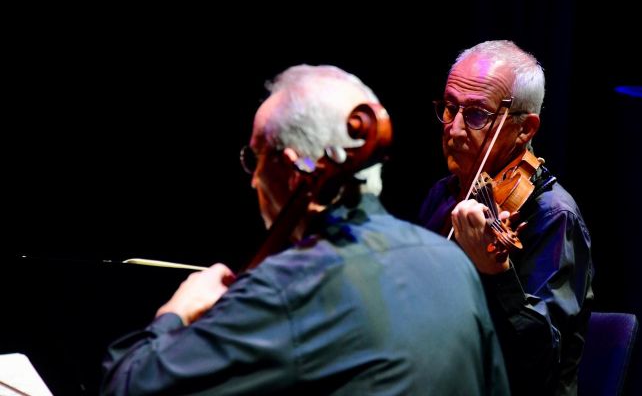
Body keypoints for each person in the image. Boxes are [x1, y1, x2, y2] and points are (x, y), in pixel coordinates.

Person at [101, 64, 509, 395]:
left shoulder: (284, 288)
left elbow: (127, 384)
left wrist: (177, 310)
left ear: (294, 171)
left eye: (255, 157)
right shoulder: (453, 265)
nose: (253, 179)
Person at [419, 40, 594, 396]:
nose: (453, 129)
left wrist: (495, 272)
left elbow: (540, 366)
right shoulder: (445, 194)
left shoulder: (552, 216)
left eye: (477, 115)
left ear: (525, 129)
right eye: (450, 107)